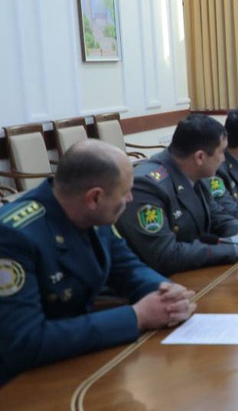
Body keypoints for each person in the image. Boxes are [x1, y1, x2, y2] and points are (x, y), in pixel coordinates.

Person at [0, 140, 197, 385]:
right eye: (125, 192)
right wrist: (137, 316)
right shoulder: (13, 236)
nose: (130, 198)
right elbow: (25, 342)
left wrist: (166, 292)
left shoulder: (90, 212)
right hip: (20, 383)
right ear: (94, 198)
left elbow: (127, 267)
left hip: (76, 359)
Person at [117, 115, 238, 276]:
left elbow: (217, 217)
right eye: (221, 152)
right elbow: (165, 255)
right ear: (200, 157)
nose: (223, 159)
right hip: (164, 282)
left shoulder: (195, 172)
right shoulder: (147, 186)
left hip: (196, 273)